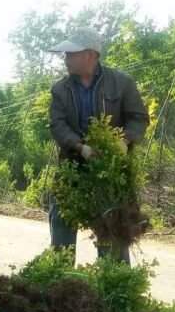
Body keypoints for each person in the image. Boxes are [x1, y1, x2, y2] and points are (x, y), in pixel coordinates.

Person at [48, 28, 149, 263]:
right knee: (62, 219)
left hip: (110, 171)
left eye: (71, 54)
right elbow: (57, 125)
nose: (66, 59)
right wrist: (81, 147)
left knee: (112, 229)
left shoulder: (122, 83)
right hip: (72, 166)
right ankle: (61, 278)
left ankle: (114, 284)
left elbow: (138, 118)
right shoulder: (60, 89)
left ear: (90, 55)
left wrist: (124, 141)